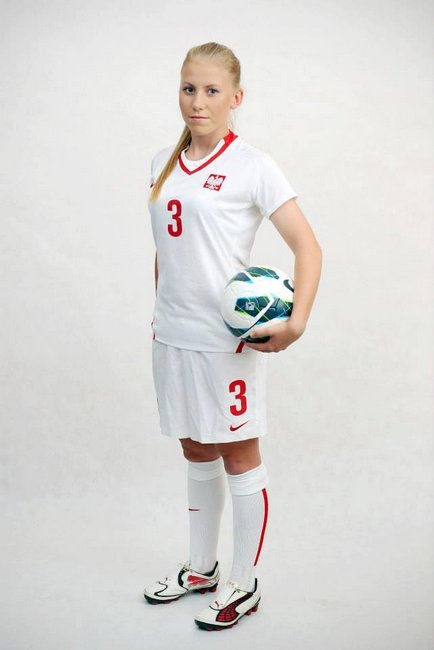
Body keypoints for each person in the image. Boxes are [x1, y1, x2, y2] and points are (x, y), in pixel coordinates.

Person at [143, 42, 322, 631]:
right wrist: (162, 312)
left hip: (227, 343)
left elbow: (308, 247)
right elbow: (167, 251)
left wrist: (296, 322)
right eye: (189, 88)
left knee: (238, 455)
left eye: (212, 90)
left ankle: (244, 584)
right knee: (195, 447)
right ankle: (202, 569)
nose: (198, 101)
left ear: (235, 98)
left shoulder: (253, 165)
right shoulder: (162, 163)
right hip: (172, 335)